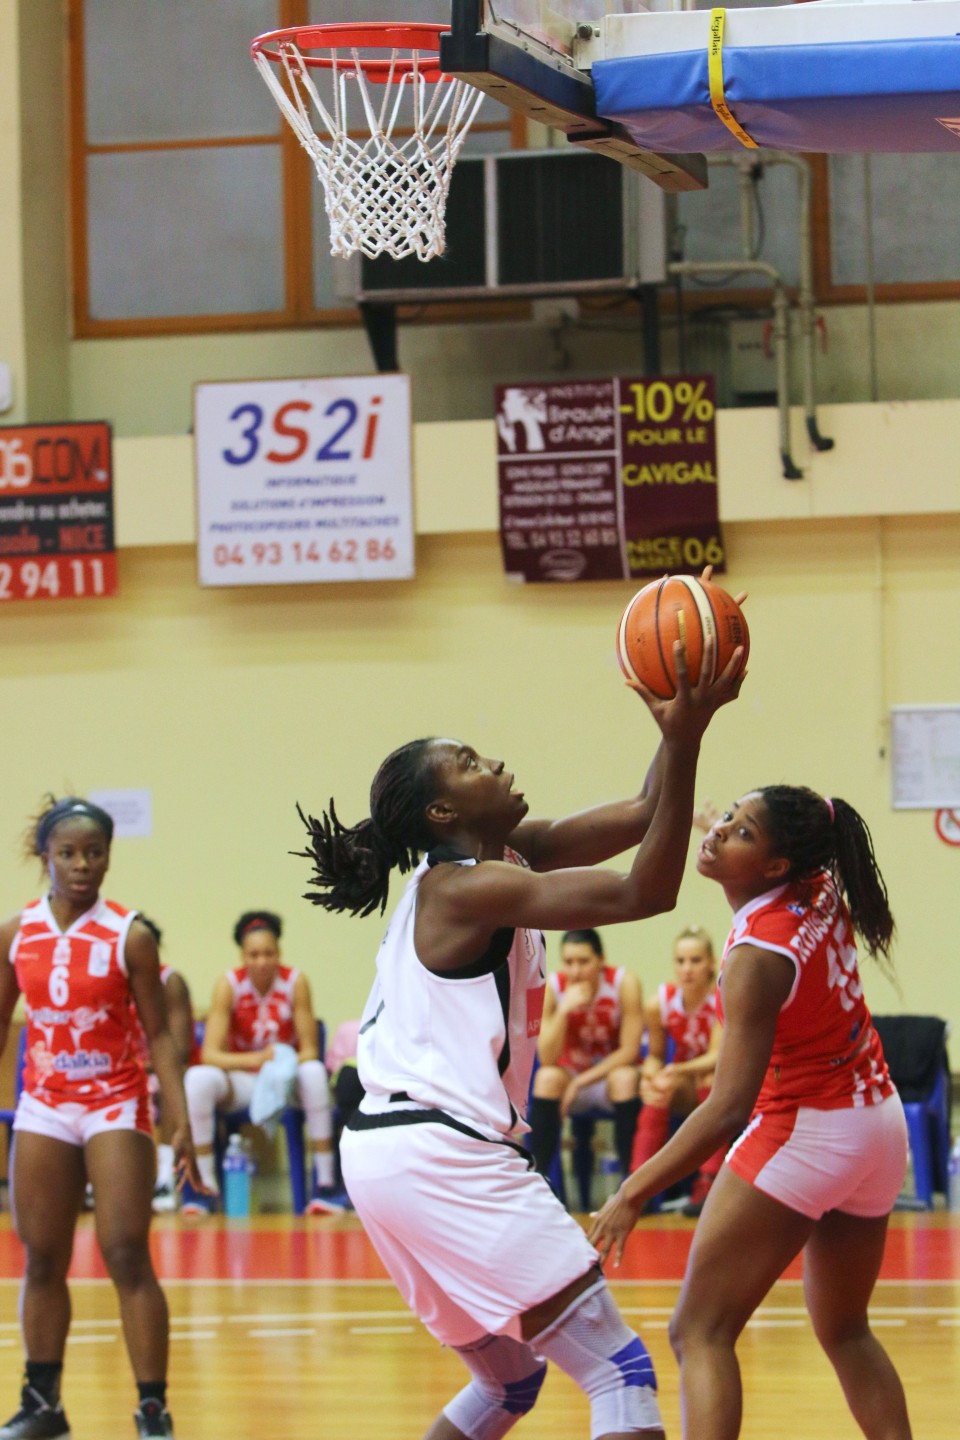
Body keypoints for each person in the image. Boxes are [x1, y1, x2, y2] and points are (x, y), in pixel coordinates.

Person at [296, 626, 743, 1440]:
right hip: (440, 1153)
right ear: (442, 811)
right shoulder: (464, 890)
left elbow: (648, 813)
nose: (495, 763)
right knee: (618, 1370)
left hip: (391, 1155)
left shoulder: (507, 858)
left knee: (508, 1385)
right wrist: (682, 741)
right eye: (471, 763)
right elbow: (645, 892)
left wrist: (685, 727)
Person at [589, 786, 913, 1440]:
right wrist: (729, 830)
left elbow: (728, 1107)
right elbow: (787, 840)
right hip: (878, 1121)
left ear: (774, 866)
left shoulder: (755, 960)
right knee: (847, 1331)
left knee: (699, 1330)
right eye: (731, 815)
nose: (720, 831)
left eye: (741, 832)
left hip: (809, 1129)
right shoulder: (819, 884)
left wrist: (633, 1190)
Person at [0, 795, 202, 1440]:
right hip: (44, 1104)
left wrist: (180, 1120)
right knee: (41, 1257)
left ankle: (152, 1409)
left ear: (109, 857)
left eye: (94, 853)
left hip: (114, 1100)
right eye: (68, 853)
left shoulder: (129, 934)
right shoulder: (16, 933)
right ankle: (44, 1405)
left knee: (125, 1252)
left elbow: (160, 1034)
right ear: (46, 857)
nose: (82, 865)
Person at [181, 910, 346, 1216]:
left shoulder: (295, 982)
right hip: (244, 1080)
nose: (261, 962)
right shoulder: (228, 985)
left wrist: (280, 1062)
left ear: (279, 953)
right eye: (254, 955)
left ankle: (325, 1185)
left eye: (269, 953)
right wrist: (257, 1059)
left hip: (285, 1080)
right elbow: (210, 1055)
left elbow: (310, 1050)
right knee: (198, 1079)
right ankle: (205, 1187)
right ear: (242, 956)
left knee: (313, 1073)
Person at [528, 929, 643, 1196]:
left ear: (601, 960)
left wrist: (580, 1082)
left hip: (607, 1079)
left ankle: (630, 1183)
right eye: (568, 962)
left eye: (583, 961)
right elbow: (546, 1057)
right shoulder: (554, 987)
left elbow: (629, 1051)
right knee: (546, 1077)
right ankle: (538, 1180)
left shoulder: (623, 983)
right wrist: (564, 1011)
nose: (575, 970)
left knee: (625, 1078)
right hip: (570, 1078)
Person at [630, 924, 723, 1217]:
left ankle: (708, 1182)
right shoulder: (659, 1003)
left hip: (721, 1082)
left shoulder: (722, 998)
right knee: (658, 1087)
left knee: (710, 1078)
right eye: (681, 961)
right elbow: (655, 1056)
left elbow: (718, 1057)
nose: (687, 969)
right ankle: (639, 1185)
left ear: (711, 963)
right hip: (684, 1083)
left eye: (696, 960)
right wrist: (650, 1073)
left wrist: (676, 1069)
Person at [129, 916, 199, 1213]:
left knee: (167, 1082)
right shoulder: (112, 980)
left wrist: (141, 1068)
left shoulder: (170, 982)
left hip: (165, 1067)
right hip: (131, 1067)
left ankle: (164, 1178)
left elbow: (179, 1050)